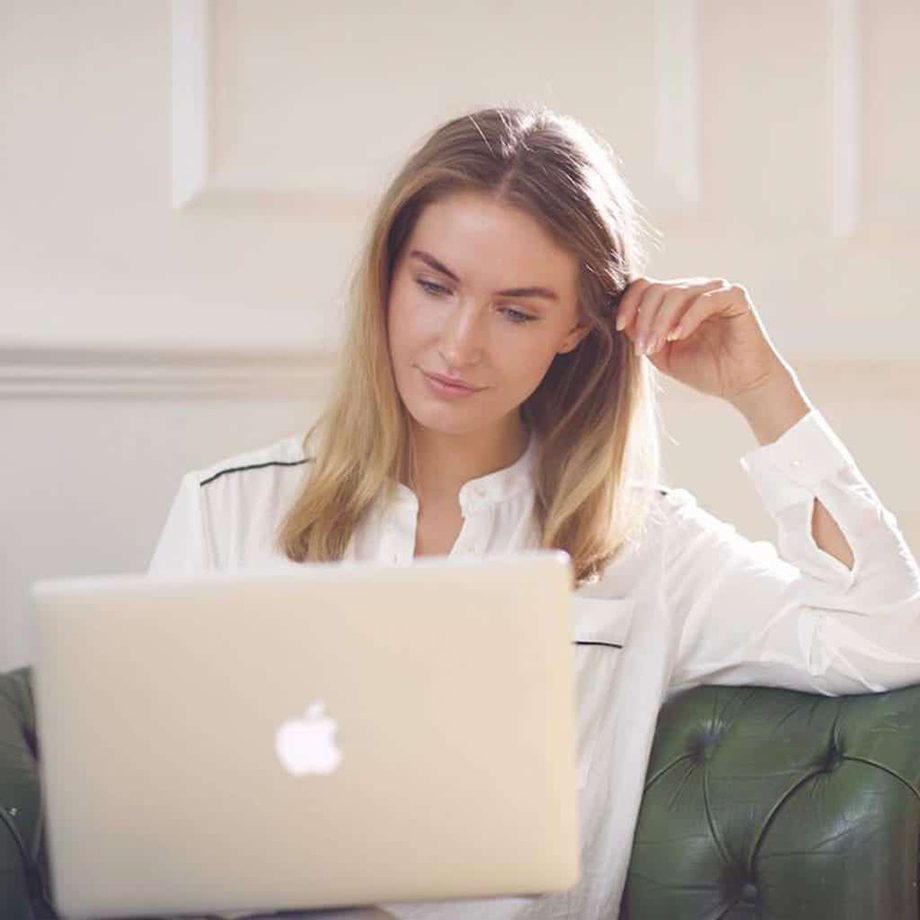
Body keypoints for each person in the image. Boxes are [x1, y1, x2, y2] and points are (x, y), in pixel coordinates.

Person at [148, 106, 920, 920]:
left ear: (577, 329)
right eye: (434, 286)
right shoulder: (224, 509)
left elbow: (885, 636)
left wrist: (763, 392)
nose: (459, 345)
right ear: (386, 276)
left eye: (517, 312)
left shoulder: (647, 545)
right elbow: (149, 818)